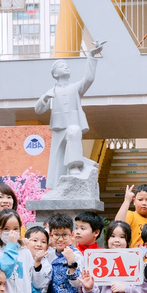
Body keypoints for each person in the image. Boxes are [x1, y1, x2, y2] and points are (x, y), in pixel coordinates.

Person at [35, 41, 104, 188]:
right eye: (61, 66)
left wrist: (91, 56)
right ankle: (55, 185)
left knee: (74, 132)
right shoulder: (51, 91)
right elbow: (39, 109)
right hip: (58, 126)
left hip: (73, 122)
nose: (66, 66)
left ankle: (74, 166)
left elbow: (89, 79)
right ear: (55, 73)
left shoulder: (75, 87)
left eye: (67, 65)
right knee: (57, 156)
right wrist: (45, 98)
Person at [44, 213, 84, 293]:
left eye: (64, 235)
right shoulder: (49, 255)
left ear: (71, 235)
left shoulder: (76, 255)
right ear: (51, 235)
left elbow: (78, 283)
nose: (60, 239)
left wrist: (71, 263)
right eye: (56, 235)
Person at [25, 226, 50, 293]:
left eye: (43, 242)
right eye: (35, 240)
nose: (39, 244)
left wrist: (38, 262)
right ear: (26, 242)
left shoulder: (46, 264)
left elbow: (38, 284)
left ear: (47, 246)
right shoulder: (20, 257)